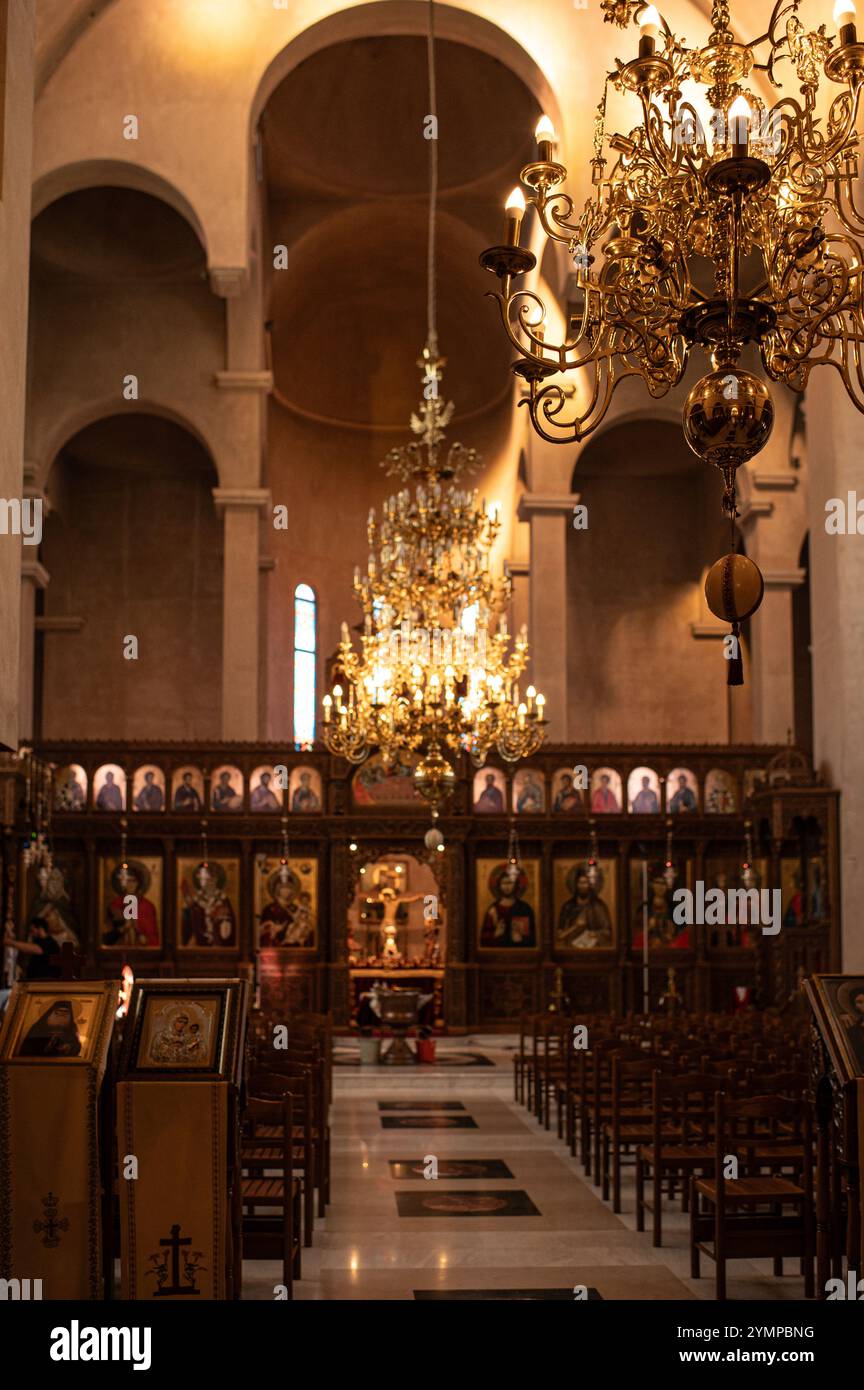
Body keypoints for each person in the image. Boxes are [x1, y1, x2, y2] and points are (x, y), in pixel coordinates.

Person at [103, 862, 160, 947]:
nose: (130, 884)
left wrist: (145, 939)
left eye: (133, 881)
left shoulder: (147, 906)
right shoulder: (114, 905)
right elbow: (105, 937)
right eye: (127, 881)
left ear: (138, 883)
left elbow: (154, 938)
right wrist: (122, 930)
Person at [480, 863, 536, 947]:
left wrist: (521, 939)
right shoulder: (493, 910)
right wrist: (495, 934)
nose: (507, 887)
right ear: (498, 885)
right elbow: (483, 940)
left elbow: (533, 940)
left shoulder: (525, 908)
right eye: (503, 883)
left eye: (510, 883)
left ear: (516, 884)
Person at [556, 867, 613, 948]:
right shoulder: (568, 906)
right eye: (580, 882)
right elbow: (560, 936)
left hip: (594, 950)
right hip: (570, 950)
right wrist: (575, 926)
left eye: (585, 882)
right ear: (575, 885)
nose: (582, 886)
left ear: (590, 885)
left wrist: (595, 934)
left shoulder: (599, 906)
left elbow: (608, 932)